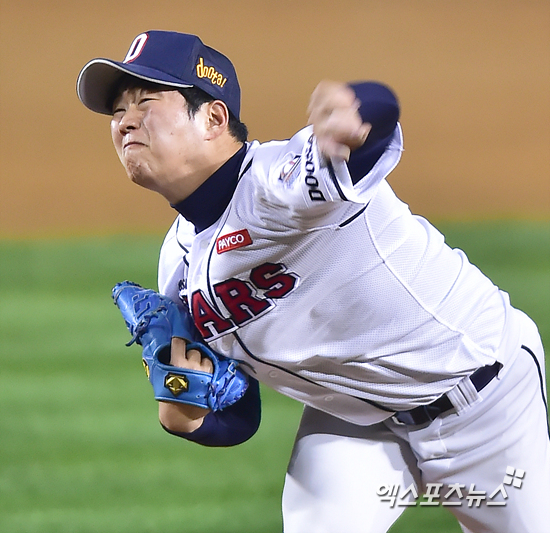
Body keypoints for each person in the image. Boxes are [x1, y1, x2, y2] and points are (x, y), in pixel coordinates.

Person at [77, 30, 549, 533]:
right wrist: (187, 413)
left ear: (213, 118)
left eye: (145, 102)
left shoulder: (278, 183)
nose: (125, 121)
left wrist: (356, 105)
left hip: (483, 394)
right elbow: (239, 414)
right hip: (357, 421)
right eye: (117, 111)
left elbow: (375, 127)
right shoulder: (177, 265)